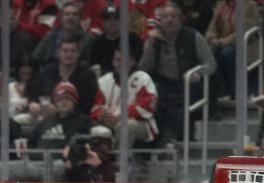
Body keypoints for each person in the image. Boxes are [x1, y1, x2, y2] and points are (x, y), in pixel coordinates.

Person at [138, 1, 217, 142]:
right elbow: (144, 69)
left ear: (181, 19)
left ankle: (177, 138)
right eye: (166, 17)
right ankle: (153, 144)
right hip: (163, 82)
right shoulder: (153, 40)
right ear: (160, 20)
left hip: (189, 81)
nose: (169, 20)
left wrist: (199, 71)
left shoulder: (193, 36)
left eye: (174, 16)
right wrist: (150, 45)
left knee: (184, 99)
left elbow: (211, 63)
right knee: (153, 96)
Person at [90, 45, 159, 147]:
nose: (121, 64)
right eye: (117, 60)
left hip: (140, 124)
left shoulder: (143, 78)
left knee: (124, 127)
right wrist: (102, 115)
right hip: (109, 121)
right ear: (113, 62)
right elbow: (96, 106)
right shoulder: (104, 81)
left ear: (133, 62)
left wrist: (121, 116)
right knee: (92, 127)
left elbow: (148, 107)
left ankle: (120, 161)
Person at [30, 34, 98, 119]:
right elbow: (33, 98)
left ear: (78, 54)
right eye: (65, 51)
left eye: (73, 51)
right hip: (45, 118)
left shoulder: (88, 76)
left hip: (76, 120)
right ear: (58, 53)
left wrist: (59, 110)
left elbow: (88, 106)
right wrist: (34, 106)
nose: (69, 55)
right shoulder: (46, 73)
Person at [31, 1, 94, 67]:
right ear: (61, 18)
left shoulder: (88, 39)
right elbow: (36, 56)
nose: (71, 17)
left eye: (75, 14)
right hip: (48, 70)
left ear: (80, 18)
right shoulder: (51, 35)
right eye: (67, 14)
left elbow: (89, 62)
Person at [88, 6, 142, 76]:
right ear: (103, 22)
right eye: (108, 19)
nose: (112, 22)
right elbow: (93, 65)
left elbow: (140, 63)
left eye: (116, 18)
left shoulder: (133, 39)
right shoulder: (97, 43)